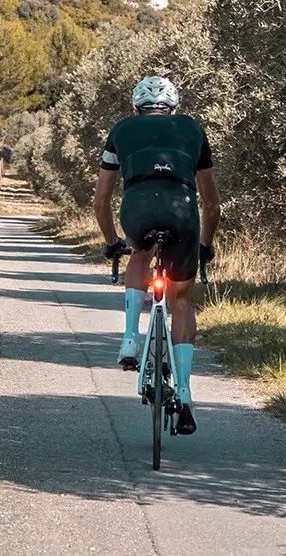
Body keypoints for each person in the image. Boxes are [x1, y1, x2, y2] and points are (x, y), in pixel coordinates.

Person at [93, 75, 220, 435]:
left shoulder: (121, 129)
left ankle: (130, 338)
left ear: (136, 108)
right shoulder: (192, 129)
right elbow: (212, 204)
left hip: (138, 208)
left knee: (139, 253)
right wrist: (205, 245)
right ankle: (185, 390)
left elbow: (101, 201)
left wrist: (111, 242)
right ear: (173, 107)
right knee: (181, 300)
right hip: (182, 212)